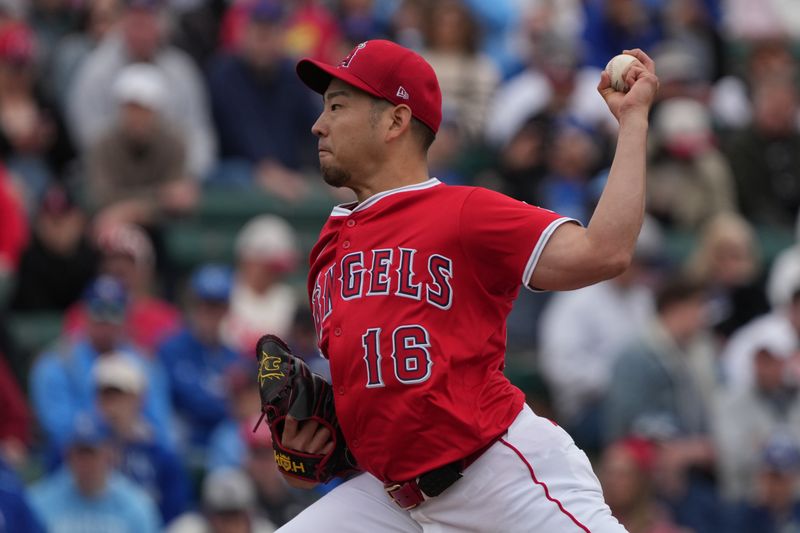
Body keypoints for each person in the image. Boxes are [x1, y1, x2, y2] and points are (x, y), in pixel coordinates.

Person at [268, 39, 658, 531]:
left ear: (395, 121)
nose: (318, 124)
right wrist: (320, 446)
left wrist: (633, 121)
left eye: (338, 107)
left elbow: (605, 251)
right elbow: (395, 394)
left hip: (497, 477)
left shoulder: (463, 212)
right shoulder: (328, 248)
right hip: (394, 497)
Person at [28, 413, 161, 533]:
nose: (85, 462)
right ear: (67, 455)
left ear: (109, 455)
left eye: (91, 454)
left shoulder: (135, 505)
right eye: (79, 454)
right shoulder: (40, 501)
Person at [159, 264, 239, 454]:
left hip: (223, 446)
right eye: (203, 304)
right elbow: (189, 400)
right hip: (184, 441)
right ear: (192, 305)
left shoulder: (233, 356)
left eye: (216, 305)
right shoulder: (172, 349)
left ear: (226, 309)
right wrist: (227, 403)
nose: (209, 312)